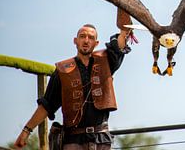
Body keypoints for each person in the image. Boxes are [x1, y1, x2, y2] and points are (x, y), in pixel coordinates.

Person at [14, 10, 133, 150]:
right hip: (72, 140)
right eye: (82, 36)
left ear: (96, 43)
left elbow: (120, 43)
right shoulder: (63, 71)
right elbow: (47, 105)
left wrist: (122, 11)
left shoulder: (107, 61)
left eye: (90, 37)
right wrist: (26, 131)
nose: (86, 40)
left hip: (100, 139)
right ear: (75, 41)